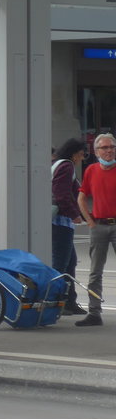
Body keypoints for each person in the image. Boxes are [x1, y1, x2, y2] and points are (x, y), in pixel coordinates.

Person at [76, 132, 116, 326]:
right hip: (99, 225)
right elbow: (81, 198)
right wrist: (90, 222)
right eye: (104, 148)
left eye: (112, 147)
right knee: (95, 272)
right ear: (96, 151)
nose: (109, 151)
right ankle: (94, 313)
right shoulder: (91, 170)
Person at [50, 138, 87, 316]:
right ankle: (58, 302)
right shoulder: (66, 166)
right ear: (74, 154)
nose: (82, 158)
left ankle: (69, 301)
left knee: (70, 262)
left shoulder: (57, 164)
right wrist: (74, 214)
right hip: (61, 221)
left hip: (58, 221)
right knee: (61, 264)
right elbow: (62, 194)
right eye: (81, 154)